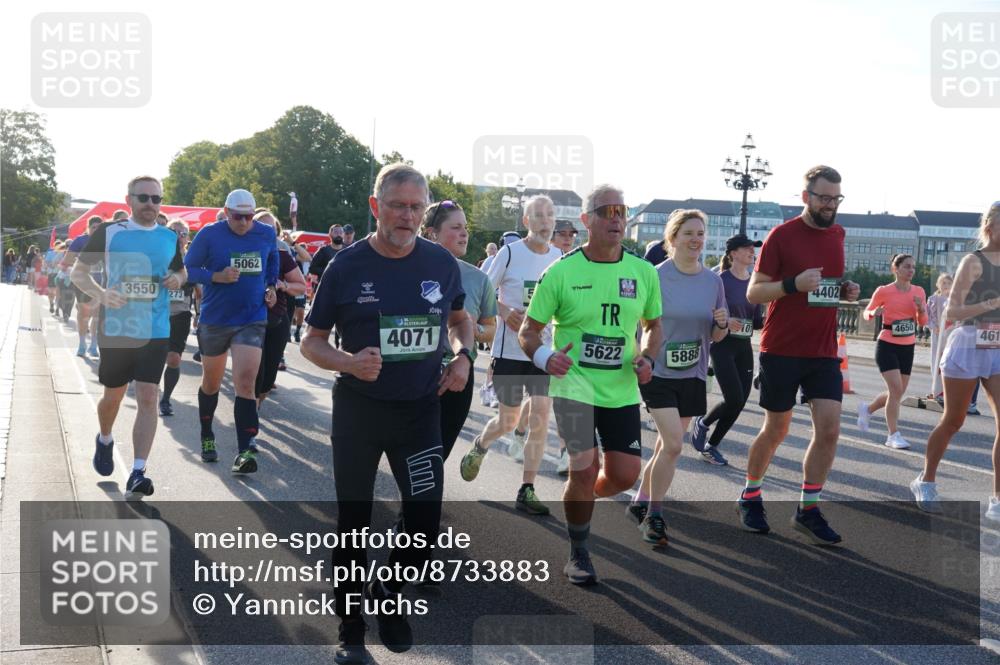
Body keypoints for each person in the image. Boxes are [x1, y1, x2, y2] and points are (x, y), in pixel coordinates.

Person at [301, 163, 473, 660]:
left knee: (424, 523)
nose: (407, 216)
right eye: (397, 205)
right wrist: (349, 363)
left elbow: (461, 320)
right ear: (376, 207)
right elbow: (312, 343)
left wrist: (463, 356)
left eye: (416, 207)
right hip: (360, 409)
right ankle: (350, 631)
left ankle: (389, 593)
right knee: (354, 522)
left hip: (419, 412)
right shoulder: (347, 266)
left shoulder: (440, 263)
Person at [520, 184, 662, 585]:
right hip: (574, 387)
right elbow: (529, 332)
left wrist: (648, 357)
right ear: (587, 221)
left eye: (622, 210)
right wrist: (547, 357)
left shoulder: (643, 272)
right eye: (606, 211)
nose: (616, 218)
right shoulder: (561, 272)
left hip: (620, 390)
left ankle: (579, 499)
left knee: (624, 475)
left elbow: (653, 325)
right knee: (585, 468)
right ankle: (578, 550)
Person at [736, 165, 860, 545]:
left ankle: (807, 508)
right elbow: (754, 293)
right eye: (823, 197)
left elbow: (823, 290)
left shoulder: (838, 233)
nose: (830, 205)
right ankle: (751, 495)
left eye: (835, 198)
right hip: (782, 349)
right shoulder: (781, 235)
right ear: (806, 197)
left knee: (830, 429)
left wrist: (847, 290)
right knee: (776, 429)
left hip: (823, 350)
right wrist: (792, 284)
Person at [71, 175, 185, 499]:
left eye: (156, 199)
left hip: (156, 328)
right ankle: (105, 437)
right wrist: (103, 294)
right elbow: (78, 273)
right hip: (118, 331)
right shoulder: (109, 233)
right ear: (129, 200)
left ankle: (138, 472)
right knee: (114, 397)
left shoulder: (168, 237)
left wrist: (177, 278)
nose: (151, 204)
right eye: (144, 197)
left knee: (149, 395)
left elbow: (182, 271)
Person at [459, 195, 563, 516]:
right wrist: (503, 311)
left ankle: (527, 488)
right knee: (509, 420)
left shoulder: (561, 256)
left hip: (542, 351)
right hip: (509, 351)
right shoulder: (509, 252)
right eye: (539, 216)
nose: (546, 221)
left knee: (541, 417)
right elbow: (483, 289)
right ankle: (481, 444)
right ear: (527, 222)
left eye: (550, 215)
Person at [629, 209, 728, 545]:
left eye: (701, 233)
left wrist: (723, 324)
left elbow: (716, 337)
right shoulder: (654, 276)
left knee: (664, 445)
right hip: (657, 370)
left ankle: (640, 499)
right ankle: (654, 516)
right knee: (673, 444)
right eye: (689, 233)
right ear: (672, 238)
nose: (696, 239)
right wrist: (639, 358)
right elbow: (636, 324)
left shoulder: (714, 281)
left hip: (693, 373)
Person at [912, 201, 1000, 518]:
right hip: (968, 343)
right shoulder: (973, 262)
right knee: (954, 420)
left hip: (998, 347)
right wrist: (989, 303)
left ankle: (998, 500)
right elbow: (952, 312)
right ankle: (926, 480)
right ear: (991, 226)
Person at [184, 189, 279, 471]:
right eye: (238, 217)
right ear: (226, 212)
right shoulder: (209, 234)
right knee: (211, 382)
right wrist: (216, 276)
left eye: (249, 216)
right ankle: (207, 435)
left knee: (247, 381)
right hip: (216, 318)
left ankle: (245, 450)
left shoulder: (264, 232)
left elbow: (272, 259)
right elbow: (188, 268)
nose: (244, 222)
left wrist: (271, 285)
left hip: (252, 316)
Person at [422, 200, 497, 459]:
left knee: (435, 458)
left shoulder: (478, 278)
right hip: (414, 372)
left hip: (458, 374)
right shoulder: (410, 269)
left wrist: (469, 326)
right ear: (432, 232)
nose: (465, 233)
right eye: (456, 227)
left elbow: (491, 329)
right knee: (409, 455)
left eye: (465, 227)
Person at [690, 233, 764, 466]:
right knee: (734, 398)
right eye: (747, 249)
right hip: (722, 345)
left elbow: (757, 321)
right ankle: (703, 423)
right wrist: (725, 320)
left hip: (744, 346)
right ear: (733, 254)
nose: (753, 252)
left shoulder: (754, 282)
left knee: (740, 401)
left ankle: (712, 446)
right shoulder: (720, 280)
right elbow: (703, 311)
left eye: (754, 249)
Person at [857, 254, 928, 449]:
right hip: (887, 344)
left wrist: (921, 309)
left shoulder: (919, 291)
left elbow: (923, 322)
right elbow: (866, 312)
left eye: (913, 267)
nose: (911, 270)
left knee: (896, 392)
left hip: (908, 346)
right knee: (896, 390)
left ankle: (868, 409)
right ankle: (892, 435)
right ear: (895, 269)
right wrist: (873, 312)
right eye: (906, 266)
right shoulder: (884, 291)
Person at [252, 211, 306, 408]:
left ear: (276, 232)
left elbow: (301, 286)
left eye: (271, 229)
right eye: (261, 227)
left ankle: (256, 406)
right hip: (249, 321)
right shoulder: (242, 252)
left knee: (268, 378)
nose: (267, 232)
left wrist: (284, 285)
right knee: (256, 373)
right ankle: (249, 422)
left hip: (276, 320)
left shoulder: (282, 255)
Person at [159, 220, 198, 417]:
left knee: (173, 359)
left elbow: (199, 287)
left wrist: (199, 314)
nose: (179, 236)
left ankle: (165, 399)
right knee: (155, 358)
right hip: (156, 313)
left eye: (183, 233)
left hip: (180, 313)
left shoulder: (192, 258)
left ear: (187, 237)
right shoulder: (160, 254)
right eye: (174, 232)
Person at [549, 219, 579, 475]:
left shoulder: (580, 265)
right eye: (562, 234)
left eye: (572, 234)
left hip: (566, 346)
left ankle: (565, 452)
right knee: (540, 404)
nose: (568, 238)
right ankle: (519, 429)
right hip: (537, 346)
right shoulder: (546, 264)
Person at [62, 215, 105, 357]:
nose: (96, 230)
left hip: (99, 279)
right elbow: (67, 259)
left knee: (97, 313)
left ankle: (93, 344)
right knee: (84, 312)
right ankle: (81, 343)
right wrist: (82, 259)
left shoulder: (106, 240)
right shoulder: (80, 240)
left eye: (99, 228)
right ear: (88, 227)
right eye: (94, 227)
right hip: (82, 281)